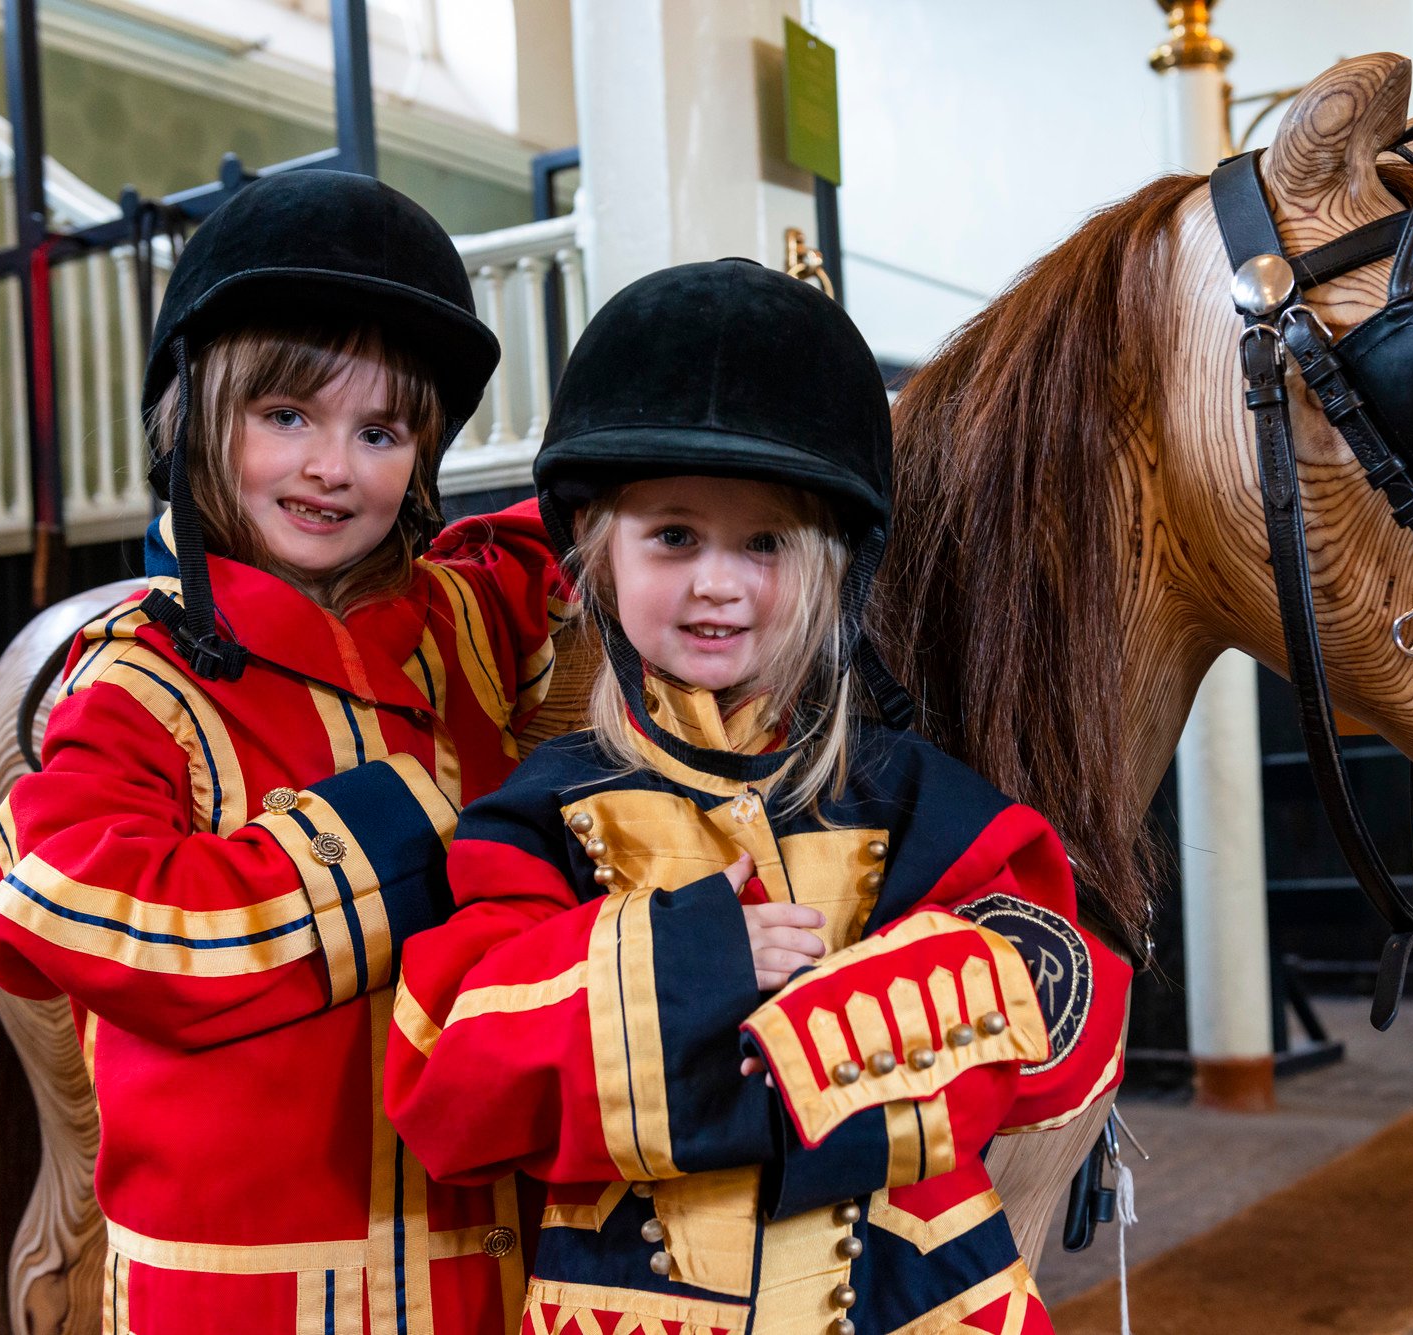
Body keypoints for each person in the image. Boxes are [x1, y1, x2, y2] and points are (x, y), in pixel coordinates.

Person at [387, 259, 1131, 1335]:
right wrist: (704, 962)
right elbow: (452, 1085)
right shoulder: (539, 809)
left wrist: (786, 1050)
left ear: (835, 567)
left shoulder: (909, 795)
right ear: (597, 553)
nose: (716, 584)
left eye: (765, 543)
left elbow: (1066, 1005)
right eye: (673, 535)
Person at [0, 170, 567, 1335]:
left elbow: (590, 525)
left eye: (380, 430)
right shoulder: (141, 673)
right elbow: (48, 902)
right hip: (240, 1303)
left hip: (480, 1282)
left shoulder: (462, 630)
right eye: (286, 415)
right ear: (196, 416)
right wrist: (391, 849)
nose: (332, 466)